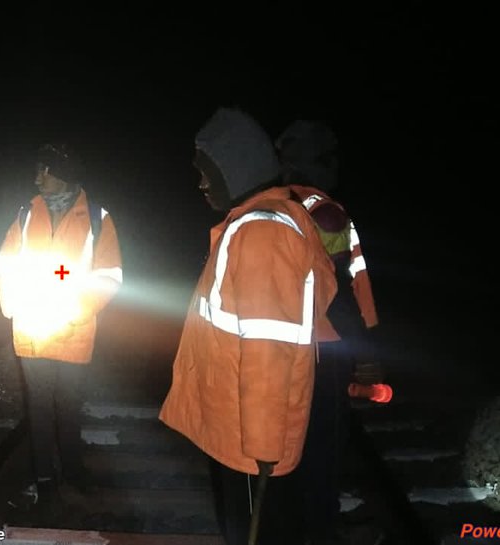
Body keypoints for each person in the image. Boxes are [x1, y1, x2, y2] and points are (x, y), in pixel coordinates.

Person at [159, 107, 338, 545]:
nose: (201, 184)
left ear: (235, 169)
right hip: (238, 426)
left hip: (248, 439)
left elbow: (269, 349)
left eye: (206, 172)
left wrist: (263, 448)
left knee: (253, 533)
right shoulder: (254, 224)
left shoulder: (262, 234)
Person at [0, 143, 123, 506]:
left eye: (44, 170)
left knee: (68, 406)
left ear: (62, 172)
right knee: (38, 407)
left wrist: (75, 314)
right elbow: (5, 263)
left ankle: (73, 471)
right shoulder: (26, 214)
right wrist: (12, 306)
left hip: (73, 332)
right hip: (32, 329)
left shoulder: (97, 217)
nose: (37, 178)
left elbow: (109, 275)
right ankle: (45, 479)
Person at [274, 119, 383, 544]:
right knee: (322, 446)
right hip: (323, 352)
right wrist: (367, 349)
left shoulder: (268, 206)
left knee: (284, 445)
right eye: (329, 158)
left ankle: (286, 524)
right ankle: (319, 529)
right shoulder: (327, 212)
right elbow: (343, 289)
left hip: (277, 350)